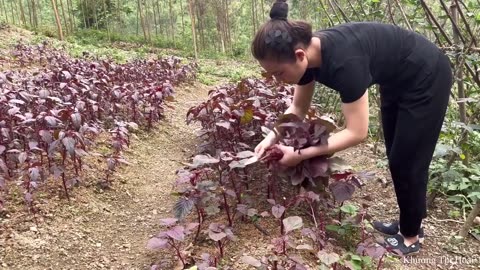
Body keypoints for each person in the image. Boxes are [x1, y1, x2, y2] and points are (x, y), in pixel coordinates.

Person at [252, 0, 452, 256]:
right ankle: (409, 222)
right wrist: (272, 136)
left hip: (427, 75)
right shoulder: (307, 56)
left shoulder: (345, 63)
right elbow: (297, 109)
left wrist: (300, 155)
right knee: (397, 154)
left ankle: (411, 237)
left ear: (299, 56)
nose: (277, 81)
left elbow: (357, 133)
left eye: (278, 74)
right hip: (396, 78)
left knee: (408, 159)